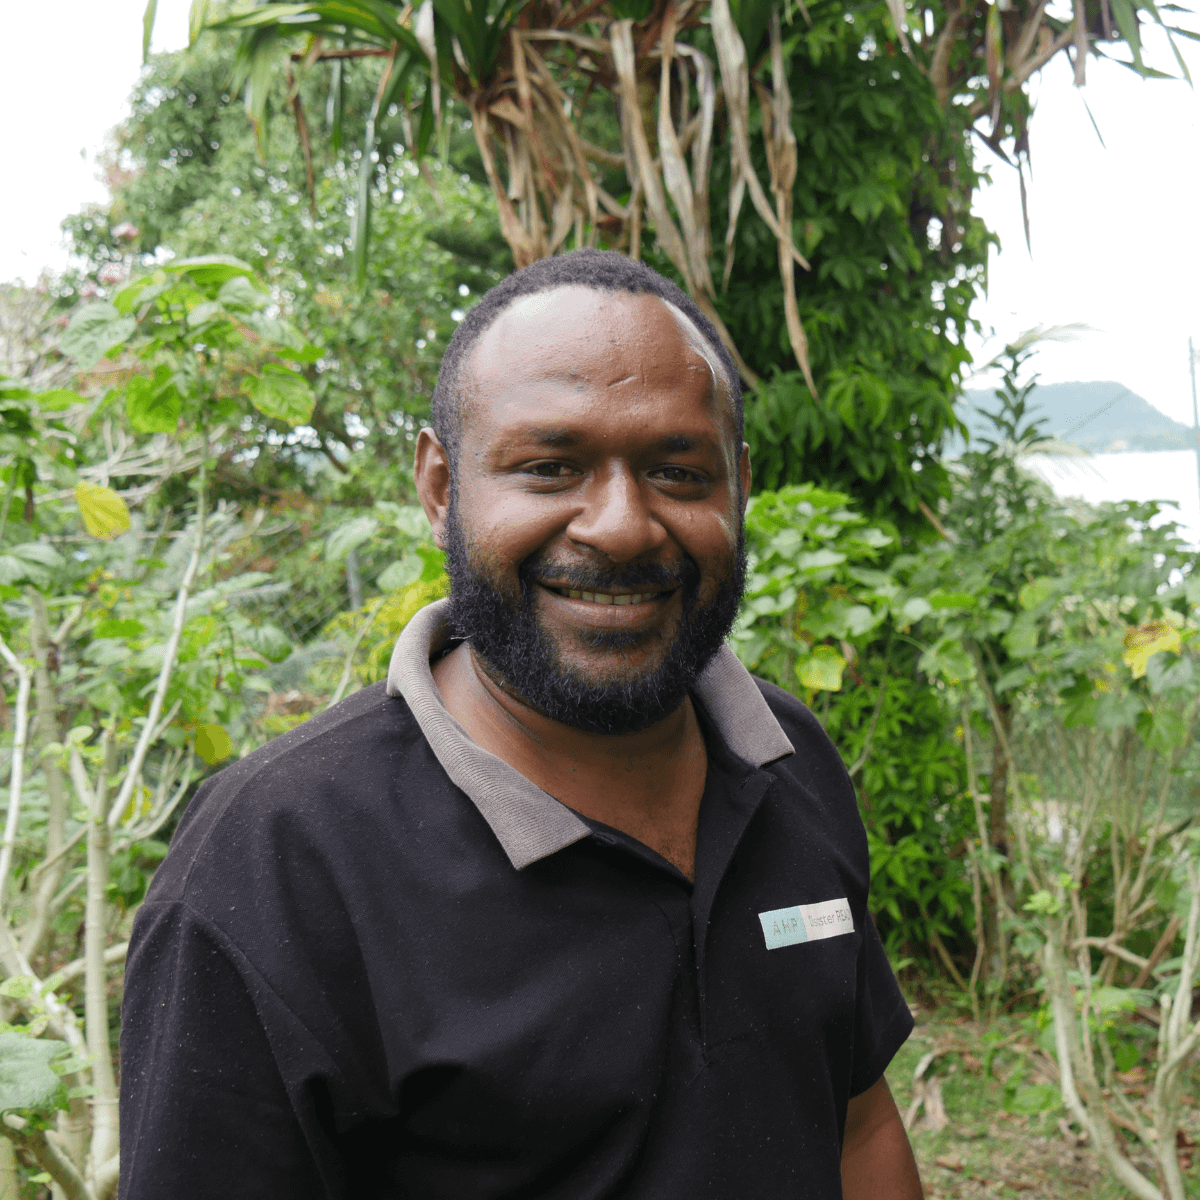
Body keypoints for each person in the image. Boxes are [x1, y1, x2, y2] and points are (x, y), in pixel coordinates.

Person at [118, 249, 923, 1199]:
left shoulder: (789, 762)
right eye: (549, 467)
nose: (622, 527)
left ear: (738, 487)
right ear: (440, 488)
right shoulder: (272, 867)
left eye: (677, 471)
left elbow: (857, 1121)